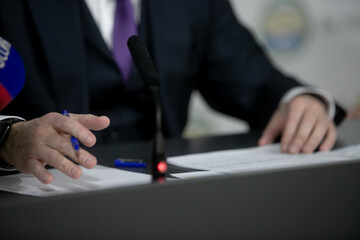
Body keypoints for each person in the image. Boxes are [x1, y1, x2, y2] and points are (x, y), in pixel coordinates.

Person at [0, 0, 346, 184]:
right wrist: (9, 138)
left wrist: (300, 101)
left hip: (164, 200)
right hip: (46, 200)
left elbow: (253, 79)